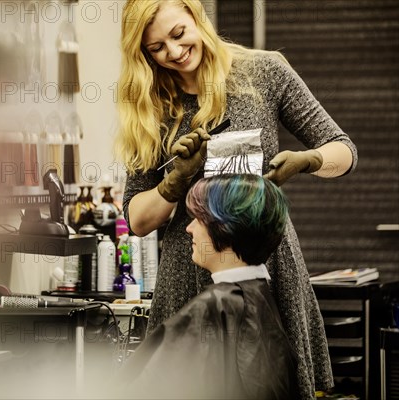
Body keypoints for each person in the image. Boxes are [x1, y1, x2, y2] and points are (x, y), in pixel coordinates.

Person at [114, 1, 358, 398]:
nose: (174, 53)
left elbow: (344, 152)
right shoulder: (150, 103)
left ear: (197, 17)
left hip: (266, 263)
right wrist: (174, 182)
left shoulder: (265, 71)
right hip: (189, 269)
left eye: (178, 34)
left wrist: (309, 160)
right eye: (157, 48)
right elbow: (138, 220)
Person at [121, 174, 298, 399]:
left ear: (224, 227)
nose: (189, 229)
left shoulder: (212, 309)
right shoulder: (263, 301)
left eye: (198, 218)